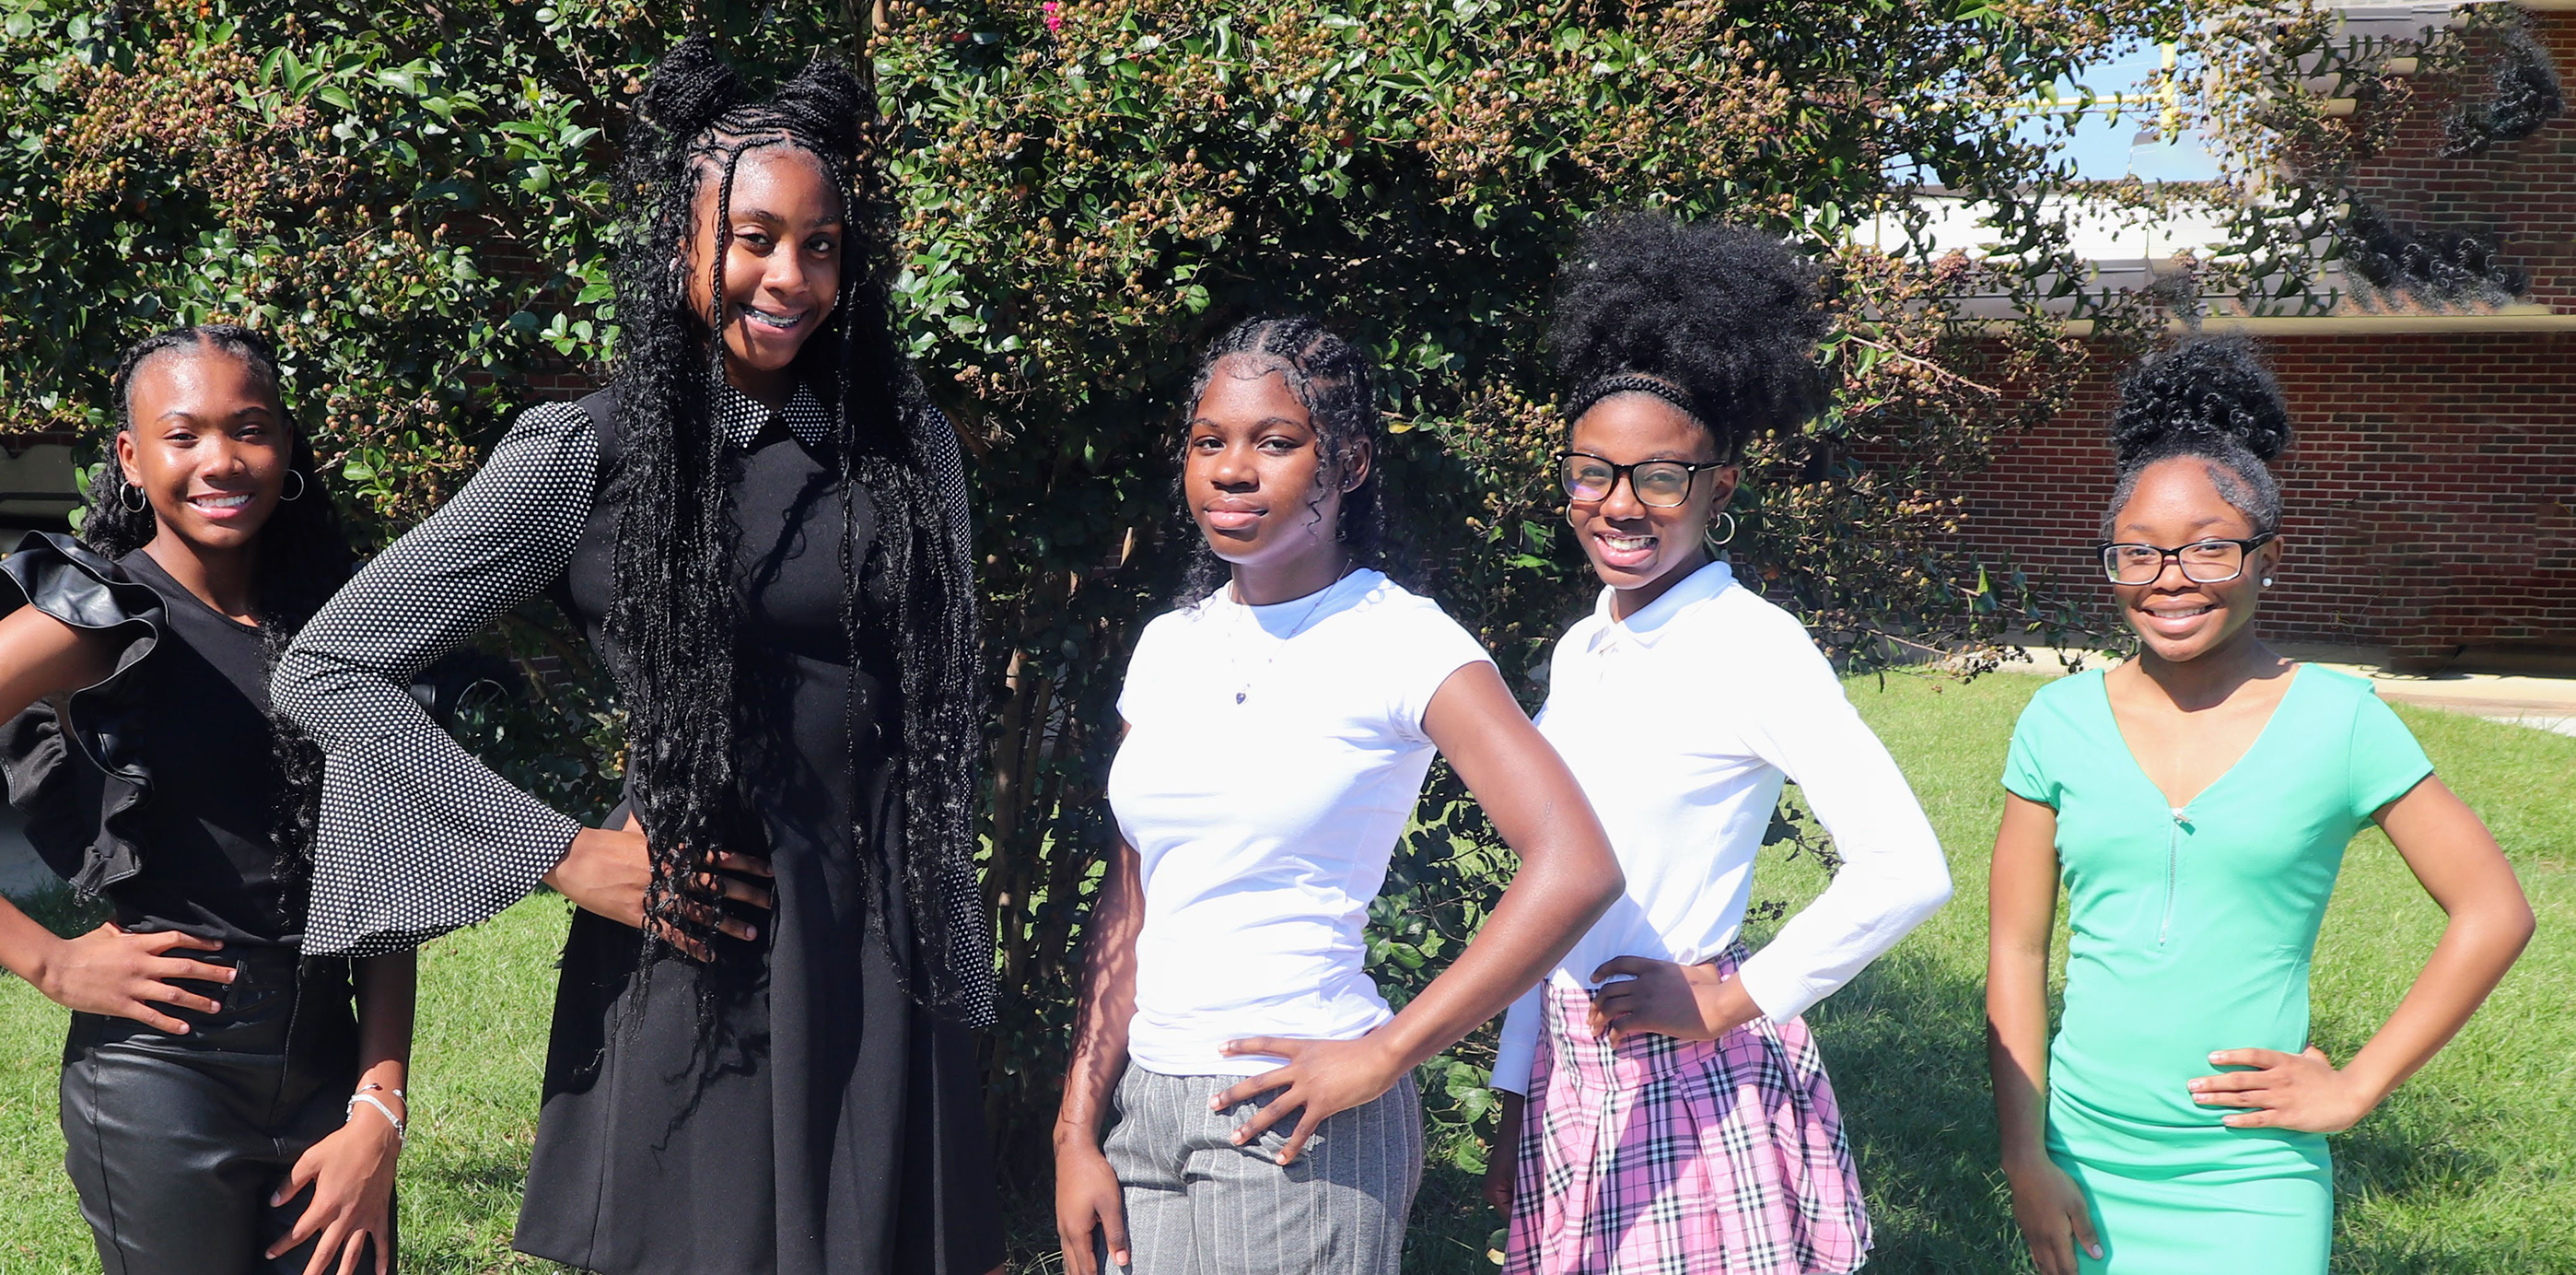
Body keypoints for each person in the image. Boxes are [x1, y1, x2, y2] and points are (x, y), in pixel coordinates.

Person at [267, 41, 1001, 1275]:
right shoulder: (587, 455)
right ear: (680, 248)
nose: (791, 276)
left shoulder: (911, 448)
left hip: (882, 955)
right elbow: (330, 666)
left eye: (820, 245)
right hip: (707, 946)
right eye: (755, 238)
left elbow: (948, 716)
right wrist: (562, 853)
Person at [0, 325, 410, 1275]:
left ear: (287, 444)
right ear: (131, 455)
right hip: (163, 1080)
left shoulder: (335, 622)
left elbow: (382, 874)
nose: (220, 460)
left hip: (332, 1074)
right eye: (184, 434)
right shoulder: (98, 619)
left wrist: (380, 1106)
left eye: (248, 428)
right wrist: (48, 961)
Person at [1045, 314, 1626, 1275]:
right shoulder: (1169, 646)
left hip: (1299, 1121)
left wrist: (1387, 1052)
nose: (1234, 469)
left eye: (1276, 442)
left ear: (1348, 464)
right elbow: (1133, 895)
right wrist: (1078, 1127)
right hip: (1146, 1114)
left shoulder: (1401, 641)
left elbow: (1577, 863)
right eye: (1209, 442)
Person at [1985, 338, 2534, 1275]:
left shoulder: (2341, 721)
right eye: (2140, 553)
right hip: (2082, 1153)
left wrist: (2357, 1086)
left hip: (2250, 1169)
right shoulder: (2056, 722)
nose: (2171, 578)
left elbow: (2495, 911)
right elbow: (2017, 948)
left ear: (2265, 557)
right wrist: (2025, 1152)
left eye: (2210, 548)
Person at [1480, 213, 1955, 1275]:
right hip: (1572, 1071)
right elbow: (1548, 883)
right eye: (1591, 471)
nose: (1620, 503)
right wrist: (1516, 1089)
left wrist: (1731, 997)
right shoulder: (1584, 643)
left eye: (1662, 476)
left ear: (1719, 488)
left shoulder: (1752, 646)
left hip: (1682, 1077)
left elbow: (1908, 869)